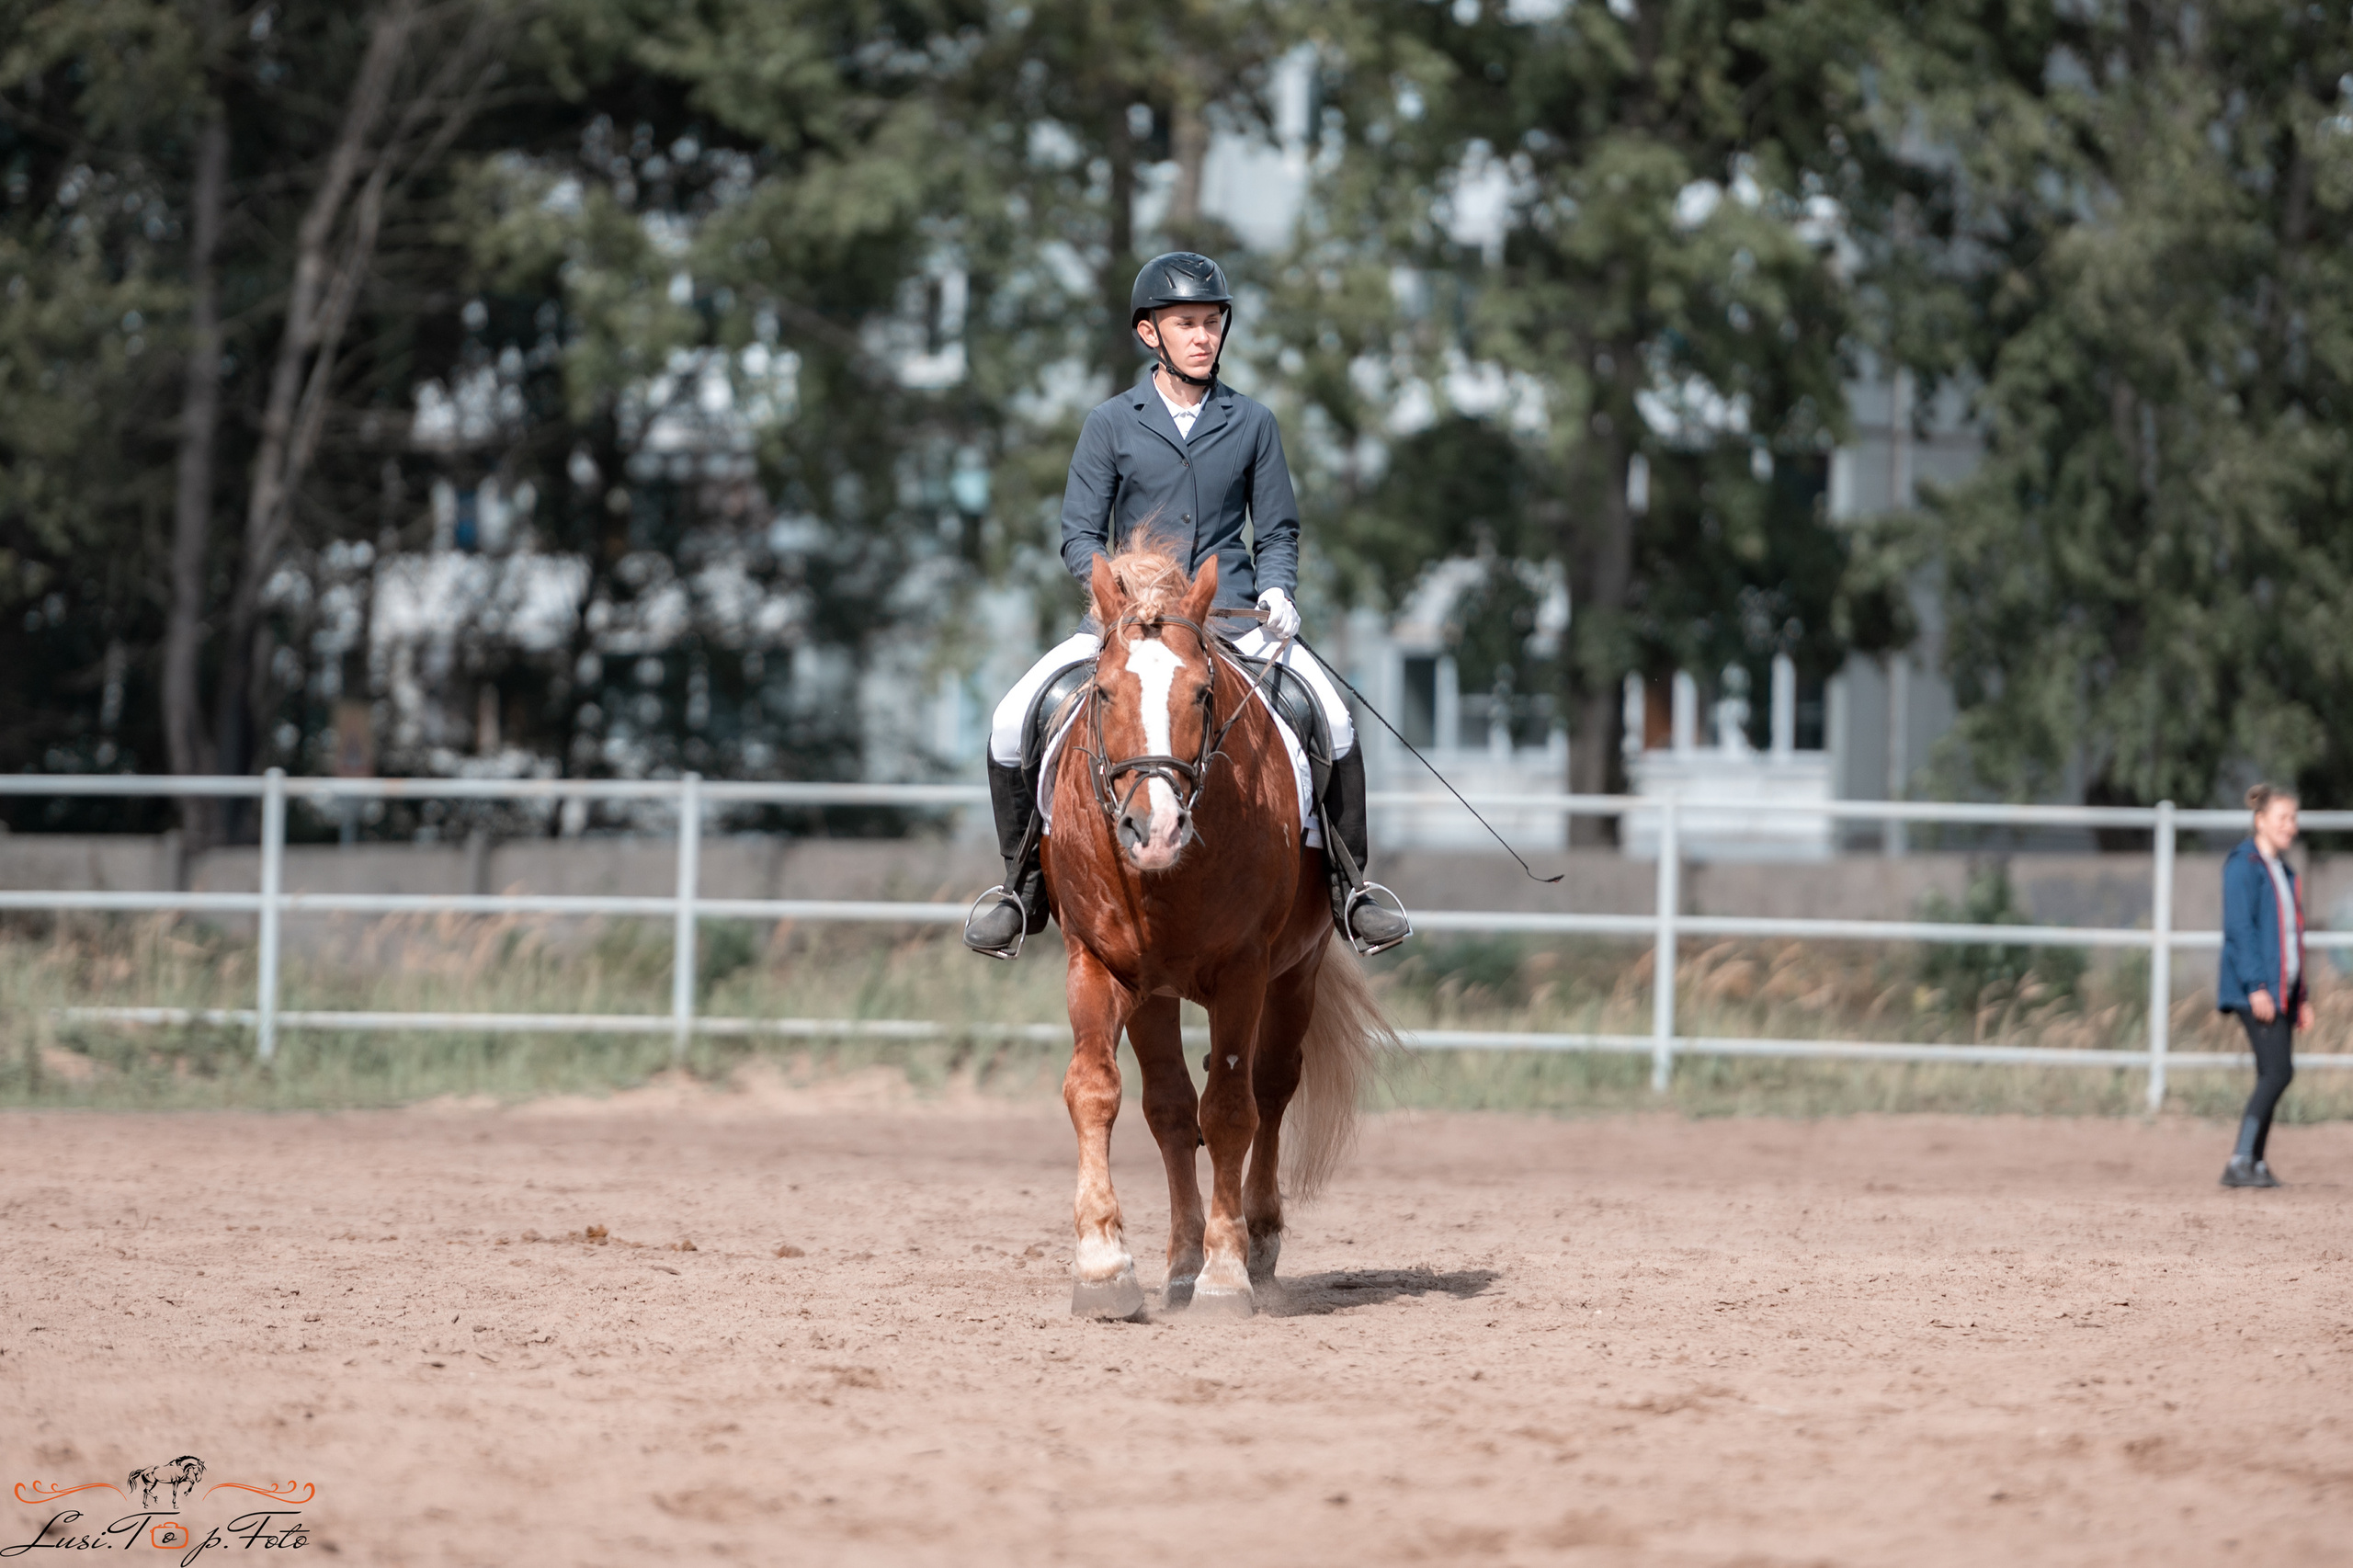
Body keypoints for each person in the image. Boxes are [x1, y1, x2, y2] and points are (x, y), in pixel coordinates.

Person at [961, 250, 1412, 960]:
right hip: (1125, 622)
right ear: (1151, 335)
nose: (1203, 337)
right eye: (1187, 324)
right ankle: (1021, 891)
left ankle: (1353, 893)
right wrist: (1113, 593)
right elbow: (1079, 533)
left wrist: (1278, 588)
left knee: (1334, 718)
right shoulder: (1110, 422)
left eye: (1212, 323)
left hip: (1228, 614)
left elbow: (1279, 527)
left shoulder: (1253, 421)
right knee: (1012, 719)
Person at [2216, 781, 2313, 1188]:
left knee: (2271, 1071)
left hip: (2281, 991)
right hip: (2254, 989)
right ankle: (2240, 1159)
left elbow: (2291, 938)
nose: (2290, 826)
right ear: (2261, 821)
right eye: (2283, 818)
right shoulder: (2244, 865)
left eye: (2293, 818)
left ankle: (2254, 1161)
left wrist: (2301, 995)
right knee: (2278, 1071)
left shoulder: (2283, 872)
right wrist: (2257, 986)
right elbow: (2240, 930)